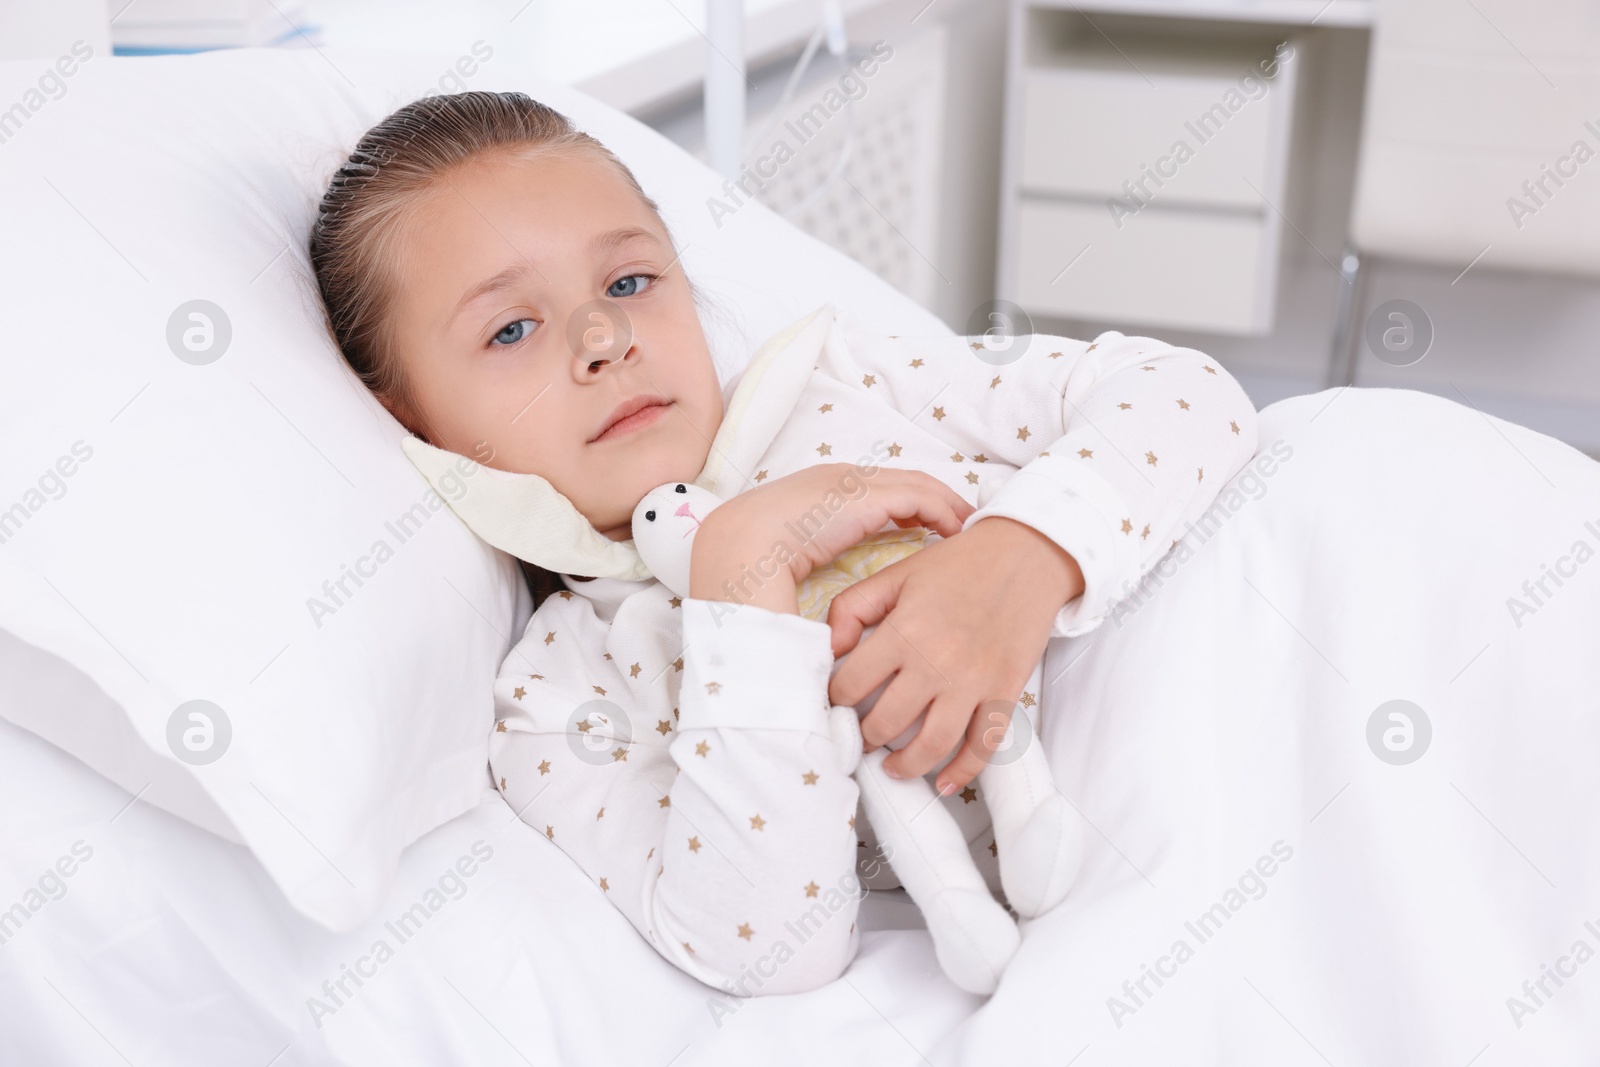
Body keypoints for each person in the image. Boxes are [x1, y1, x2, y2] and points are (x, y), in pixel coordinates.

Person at [309, 90, 1259, 997]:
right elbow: (764, 949)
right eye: (512, 328)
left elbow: (1191, 392)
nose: (605, 337)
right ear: (410, 418)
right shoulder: (558, 696)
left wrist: (1021, 555)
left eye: (631, 281)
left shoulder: (846, 375)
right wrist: (737, 594)